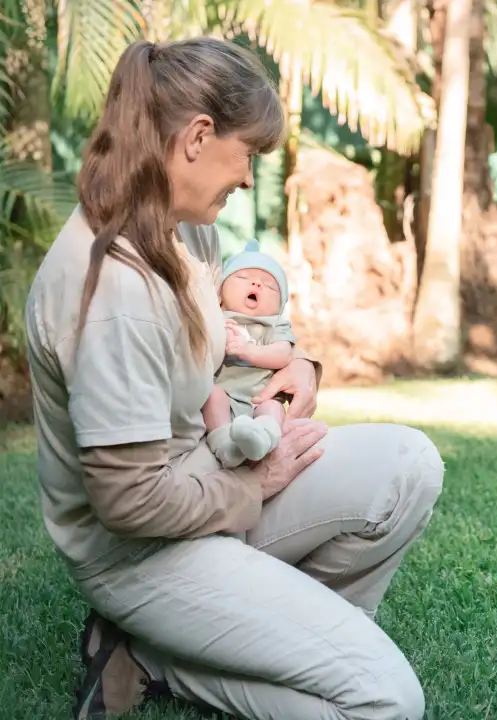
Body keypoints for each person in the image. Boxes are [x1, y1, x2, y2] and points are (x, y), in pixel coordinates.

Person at [24, 36, 444, 720]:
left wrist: (299, 365)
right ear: (196, 137)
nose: (248, 177)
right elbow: (127, 504)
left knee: (410, 465)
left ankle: (197, 651)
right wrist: (253, 483)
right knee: (386, 702)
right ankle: (168, 659)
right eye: (247, 153)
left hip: (209, 484)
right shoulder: (111, 296)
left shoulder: (184, 232)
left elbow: (233, 344)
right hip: (140, 554)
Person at [203, 238, 296, 468]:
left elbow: (283, 354)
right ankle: (226, 445)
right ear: (221, 293)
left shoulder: (275, 325)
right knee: (212, 396)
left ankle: (262, 438)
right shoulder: (216, 316)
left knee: (273, 408)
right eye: (244, 278)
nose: (256, 285)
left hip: (259, 397)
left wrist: (248, 351)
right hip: (225, 392)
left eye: (269, 286)